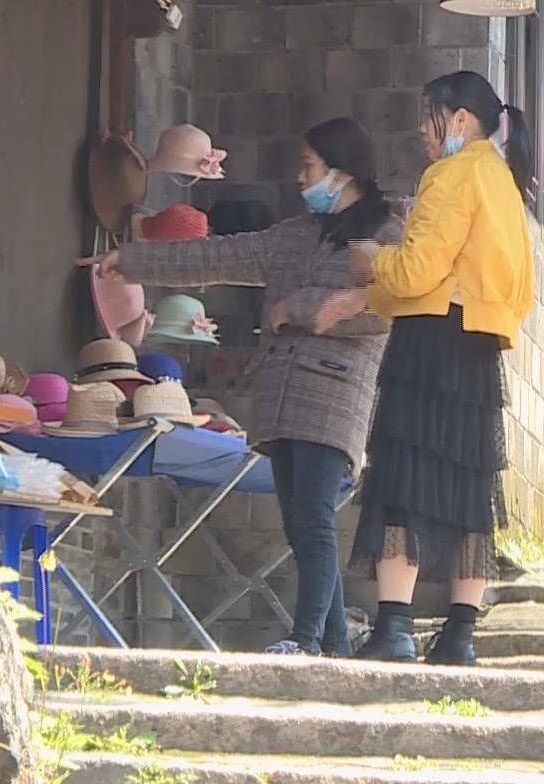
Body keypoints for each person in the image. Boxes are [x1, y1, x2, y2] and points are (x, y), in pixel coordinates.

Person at [81, 118, 403, 657]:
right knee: (299, 526)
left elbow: (383, 312)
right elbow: (213, 256)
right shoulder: (294, 235)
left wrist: (292, 309)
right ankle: (337, 648)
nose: (301, 179)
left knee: (314, 520)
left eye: (309, 167)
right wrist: (131, 261)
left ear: (343, 171)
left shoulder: (389, 234)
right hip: (280, 395)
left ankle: (305, 640)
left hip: (336, 392)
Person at [317, 70, 536, 667]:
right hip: (478, 347)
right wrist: (374, 295)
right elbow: (487, 283)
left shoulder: (452, 173)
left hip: (429, 347)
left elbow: (417, 271)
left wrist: (373, 261)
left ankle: (394, 626)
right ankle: (460, 635)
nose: (419, 129)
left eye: (427, 115)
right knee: (469, 488)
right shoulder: (505, 184)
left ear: (459, 119)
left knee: (401, 480)